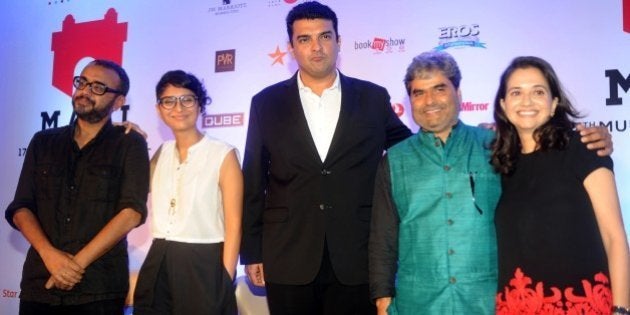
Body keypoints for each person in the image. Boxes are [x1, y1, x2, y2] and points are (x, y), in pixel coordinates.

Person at [368, 51, 614, 315]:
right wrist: (383, 299)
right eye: (419, 93)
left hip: (486, 303)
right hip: (418, 303)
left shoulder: (495, 147)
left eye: (440, 88)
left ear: (459, 93)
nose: (430, 101)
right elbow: (383, 237)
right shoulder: (394, 160)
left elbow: (544, 154)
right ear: (410, 99)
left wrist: (594, 137)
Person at [239, 1, 412, 314]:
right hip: (287, 253)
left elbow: (409, 150)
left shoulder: (372, 97)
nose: (316, 47)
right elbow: (253, 180)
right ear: (291, 47)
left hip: (356, 253)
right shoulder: (266, 103)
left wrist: (456, 136)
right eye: (304, 39)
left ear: (339, 41)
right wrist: (251, 251)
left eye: (325, 36)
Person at [5, 59, 149, 315]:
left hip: (99, 289)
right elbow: (21, 207)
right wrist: (50, 255)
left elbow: (131, 212)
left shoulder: (129, 144)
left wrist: (73, 266)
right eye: (81, 82)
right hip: (40, 285)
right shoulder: (42, 141)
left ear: (119, 101)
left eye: (98, 87)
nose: (84, 91)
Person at [491, 56, 630, 314]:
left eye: (538, 92)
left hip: (580, 305)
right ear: (503, 104)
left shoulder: (583, 149)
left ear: (554, 103)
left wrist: (621, 310)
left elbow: (615, 238)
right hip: (516, 306)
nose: (526, 101)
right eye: (516, 92)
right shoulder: (500, 163)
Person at [133, 70, 242, 314]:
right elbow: (134, 188)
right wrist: (123, 136)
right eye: (169, 101)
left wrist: (225, 276)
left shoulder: (223, 154)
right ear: (159, 109)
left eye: (187, 99)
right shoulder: (160, 152)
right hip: (159, 259)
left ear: (200, 105)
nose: (178, 107)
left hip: (204, 261)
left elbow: (234, 225)